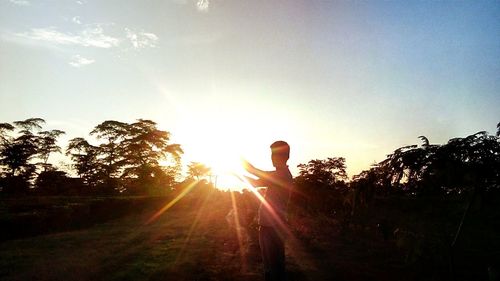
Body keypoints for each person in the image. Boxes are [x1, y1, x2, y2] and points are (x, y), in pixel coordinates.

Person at [242, 141, 294, 281]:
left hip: (273, 228)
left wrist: (239, 158)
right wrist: (237, 174)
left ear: (283, 156)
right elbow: (257, 182)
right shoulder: (279, 175)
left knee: (275, 268)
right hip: (267, 226)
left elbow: (254, 172)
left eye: (274, 154)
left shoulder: (282, 175)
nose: (271, 158)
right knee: (270, 267)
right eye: (271, 154)